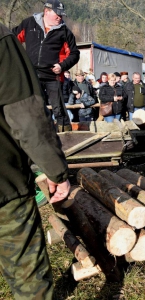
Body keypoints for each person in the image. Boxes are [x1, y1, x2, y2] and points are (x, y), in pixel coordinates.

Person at [0, 22, 70, 299]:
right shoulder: (3, 39)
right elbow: (25, 114)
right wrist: (55, 170)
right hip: (6, 187)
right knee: (28, 277)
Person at [12, 0, 80, 132]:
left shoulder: (64, 32)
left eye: (62, 15)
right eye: (57, 14)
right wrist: (18, 63)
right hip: (32, 74)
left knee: (59, 109)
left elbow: (74, 54)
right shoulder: (29, 23)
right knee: (32, 107)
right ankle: (36, 136)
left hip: (53, 76)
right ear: (46, 12)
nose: (60, 17)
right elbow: (12, 40)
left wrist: (62, 66)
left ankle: (67, 136)